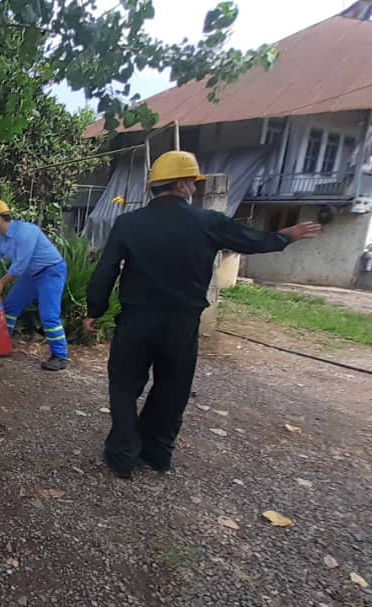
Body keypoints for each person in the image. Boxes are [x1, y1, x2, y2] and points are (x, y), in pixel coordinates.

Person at [84, 150, 321, 479]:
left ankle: (122, 455)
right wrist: (285, 236)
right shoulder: (207, 222)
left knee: (124, 387)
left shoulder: (128, 223)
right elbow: (250, 241)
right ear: (182, 185)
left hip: (137, 321)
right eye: (192, 183)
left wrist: (94, 310)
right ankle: (156, 454)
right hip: (181, 324)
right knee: (171, 388)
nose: (193, 189)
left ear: (157, 185)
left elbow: (106, 271)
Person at [0, 200, 69, 371]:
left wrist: (0, 283)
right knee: (10, 306)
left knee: (49, 315)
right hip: (30, 274)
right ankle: (1, 342)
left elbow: (19, 265)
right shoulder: (1, 240)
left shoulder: (26, 232)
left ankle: (60, 357)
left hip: (50, 272)